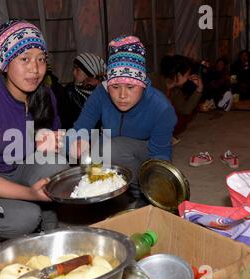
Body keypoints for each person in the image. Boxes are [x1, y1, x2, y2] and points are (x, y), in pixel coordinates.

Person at [0, 19, 69, 240]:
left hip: (24, 168)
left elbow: (53, 142)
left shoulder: (46, 95)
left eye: (41, 59)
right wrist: (30, 194)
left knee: (58, 164)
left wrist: (64, 143)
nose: (35, 69)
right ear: (4, 64)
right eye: (25, 59)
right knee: (25, 218)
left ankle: (50, 225)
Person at [70, 36, 177, 208]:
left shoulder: (161, 108)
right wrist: (75, 141)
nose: (122, 95)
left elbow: (161, 156)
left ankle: (139, 194)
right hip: (115, 151)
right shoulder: (101, 94)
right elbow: (81, 127)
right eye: (115, 86)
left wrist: (156, 189)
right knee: (94, 151)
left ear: (143, 84)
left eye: (130, 87)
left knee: (110, 148)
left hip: (145, 155)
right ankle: (116, 192)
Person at [152, 55, 204, 138]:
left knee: (179, 120)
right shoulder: (153, 83)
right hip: (140, 123)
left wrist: (199, 89)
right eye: (187, 75)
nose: (188, 79)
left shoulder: (175, 90)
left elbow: (185, 110)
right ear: (178, 75)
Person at [62, 53, 106, 129]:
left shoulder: (106, 91)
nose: (73, 73)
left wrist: (100, 87)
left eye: (77, 69)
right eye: (74, 68)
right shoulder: (69, 92)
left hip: (103, 138)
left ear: (90, 72)